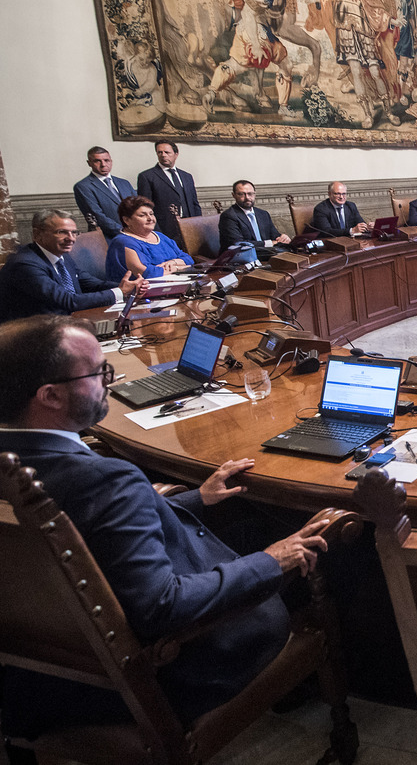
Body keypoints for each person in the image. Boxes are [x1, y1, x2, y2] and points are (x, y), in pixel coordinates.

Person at [0, 316, 332, 737]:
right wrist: (270, 560)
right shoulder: (105, 480)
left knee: (241, 523)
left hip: (34, 678)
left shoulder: (25, 465)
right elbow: (162, 607)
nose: (109, 381)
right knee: (303, 550)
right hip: (158, 679)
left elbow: (89, 529)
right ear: (50, 395)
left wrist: (196, 498)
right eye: (98, 373)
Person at [0, 210, 144, 323]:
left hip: (64, 322)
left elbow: (90, 283)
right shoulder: (24, 264)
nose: (71, 238)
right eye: (61, 232)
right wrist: (119, 292)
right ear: (37, 235)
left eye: (74, 232)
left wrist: (130, 287)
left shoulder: (61, 255)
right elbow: (68, 301)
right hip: (28, 332)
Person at [104, 196, 195, 281]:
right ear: (127, 220)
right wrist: (178, 268)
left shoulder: (160, 236)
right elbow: (147, 273)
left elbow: (188, 259)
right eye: (142, 215)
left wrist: (173, 262)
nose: (150, 218)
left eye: (151, 214)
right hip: (140, 290)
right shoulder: (122, 242)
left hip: (173, 283)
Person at [136, 141, 202, 249]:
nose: (163, 155)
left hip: (190, 227)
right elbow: (145, 208)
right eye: (160, 152)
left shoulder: (187, 176)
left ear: (176, 154)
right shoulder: (147, 176)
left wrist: (199, 226)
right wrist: (156, 233)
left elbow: (195, 203)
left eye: (167, 152)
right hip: (165, 229)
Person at [219, 180, 288, 264]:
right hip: (241, 259)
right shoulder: (229, 216)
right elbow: (238, 244)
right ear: (233, 195)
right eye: (241, 194)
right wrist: (269, 243)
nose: (247, 198)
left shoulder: (263, 214)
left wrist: (283, 238)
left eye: (250, 194)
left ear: (254, 194)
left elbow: (274, 236)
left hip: (266, 255)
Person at [73, 147, 135, 240]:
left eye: (106, 160)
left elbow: (139, 208)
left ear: (111, 161)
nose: (103, 164)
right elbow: (97, 216)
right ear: (89, 163)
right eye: (97, 161)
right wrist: (125, 232)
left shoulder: (124, 183)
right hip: (108, 238)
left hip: (136, 234)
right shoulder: (83, 186)